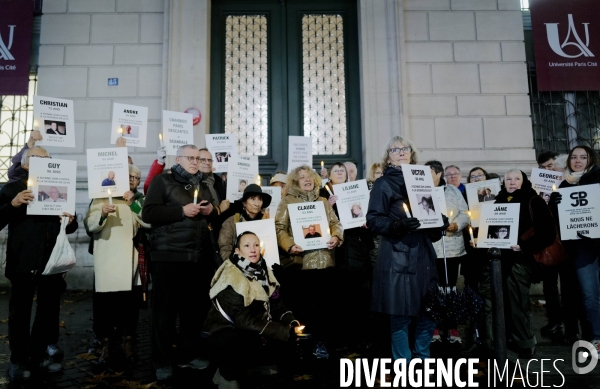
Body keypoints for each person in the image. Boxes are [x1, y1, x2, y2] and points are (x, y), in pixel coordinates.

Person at [367, 136, 448, 363]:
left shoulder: (423, 180)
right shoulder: (384, 184)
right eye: (395, 149)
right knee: (400, 315)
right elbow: (373, 220)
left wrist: (437, 221)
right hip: (397, 256)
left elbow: (431, 227)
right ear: (388, 156)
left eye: (405, 149)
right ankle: (402, 363)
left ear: (412, 154)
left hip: (423, 256)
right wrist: (397, 225)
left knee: (428, 313)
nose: (401, 152)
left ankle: (422, 357)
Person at [0, 146, 78, 382]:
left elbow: (72, 226)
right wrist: (12, 204)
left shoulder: (59, 186)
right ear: (25, 164)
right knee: (20, 312)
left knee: (48, 310)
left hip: (51, 261)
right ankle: (18, 360)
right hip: (24, 260)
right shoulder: (12, 188)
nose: (45, 162)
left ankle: (37, 356)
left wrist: (71, 219)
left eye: (48, 158)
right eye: (38, 158)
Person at [142, 144, 219, 380]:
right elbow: (149, 213)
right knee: (164, 314)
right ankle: (162, 361)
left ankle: (188, 355)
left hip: (198, 258)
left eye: (198, 158)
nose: (195, 162)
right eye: (190, 158)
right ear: (178, 159)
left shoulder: (203, 184)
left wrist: (211, 211)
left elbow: (212, 217)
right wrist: (181, 211)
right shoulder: (163, 182)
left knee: (193, 313)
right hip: (169, 257)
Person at [204, 231, 303, 389]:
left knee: (280, 332)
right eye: (247, 245)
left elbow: (277, 302)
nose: (253, 249)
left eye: (256, 245)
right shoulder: (231, 275)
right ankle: (225, 374)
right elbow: (241, 319)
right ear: (237, 251)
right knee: (243, 337)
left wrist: (291, 322)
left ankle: (258, 364)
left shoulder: (264, 271)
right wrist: (282, 331)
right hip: (223, 331)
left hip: (252, 324)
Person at [480, 169, 556, 359]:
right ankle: (497, 340)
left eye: (516, 178)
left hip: (521, 262)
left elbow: (548, 233)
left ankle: (525, 342)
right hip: (498, 262)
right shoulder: (497, 201)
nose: (512, 182)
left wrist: (523, 247)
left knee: (518, 304)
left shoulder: (533, 200)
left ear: (524, 181)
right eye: (508, 179)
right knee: (496, 302)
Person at [84, 164, 150, 365]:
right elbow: (89, 225)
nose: (132, 179)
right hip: (107, 258)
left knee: (129, 306)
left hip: (130, 259)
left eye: (136, 177)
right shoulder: (100, 196)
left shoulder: (138, 200)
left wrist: (134, 205)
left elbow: (148, 221)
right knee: (105, 306)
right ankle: (106, 345)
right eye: (128, 176)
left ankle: (128, 343)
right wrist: (102, 214)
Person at [275, 165, 343, 357]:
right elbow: (279, 228)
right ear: (295, 182)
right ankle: (303, 347)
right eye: (302, 177)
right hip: (302, 264)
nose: (307, 180)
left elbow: (335, 224)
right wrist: (289, 245)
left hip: (326, 262)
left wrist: (336, 237)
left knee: (326, 308)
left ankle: (322, 343)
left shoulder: (323, 201)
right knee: (305, 308)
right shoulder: (287, 201)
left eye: (310, 177)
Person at [550, 145, 600, 349]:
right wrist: (554, 204)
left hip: (597, 243)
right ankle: (597, 336)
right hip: (581, 248)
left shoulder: (598, 178)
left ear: (591, 160)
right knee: (589, 294)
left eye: (583, 157)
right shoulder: (563, 185)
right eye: (574, 157)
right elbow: (558, 222)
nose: (578, 161)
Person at [425, 160, 469, 344]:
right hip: (430, 247)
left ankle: (452, 327)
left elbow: (465, 213)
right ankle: (433, 326)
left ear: (438, 173)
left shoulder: (451, 191)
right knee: (432, 289)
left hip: (451, 248)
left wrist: (455, 224)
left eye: (429, 172)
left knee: (450, 288)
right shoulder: (421, 191)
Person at [218, 184, 272, 261]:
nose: (257, 204)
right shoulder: (231, 222)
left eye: (260, 199)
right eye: (253, 199)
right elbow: (225, 248)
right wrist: (235, 265)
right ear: (244, 203)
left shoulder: (266, 223)